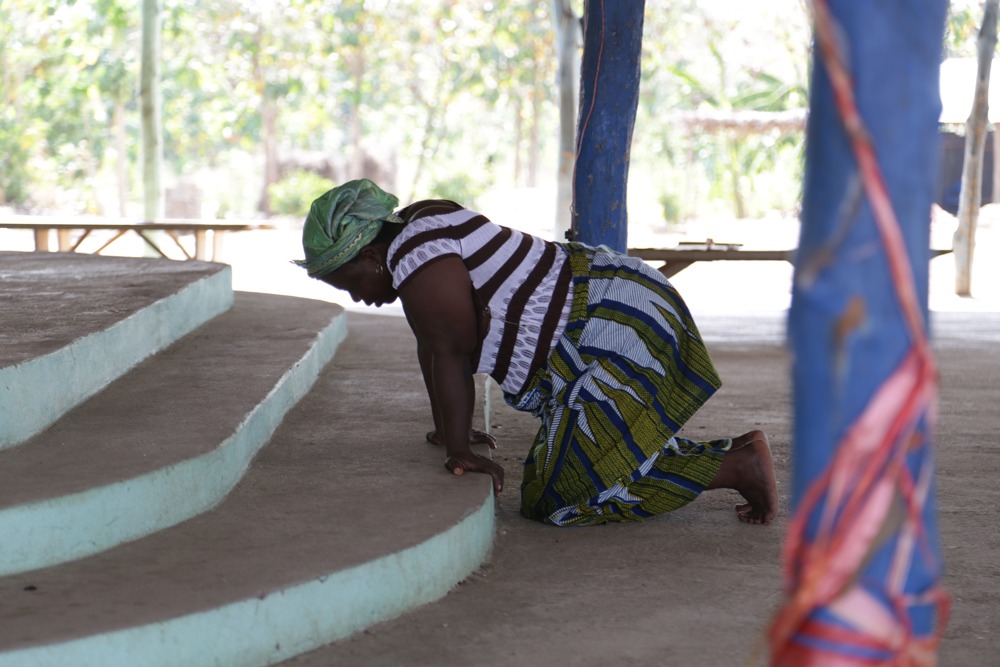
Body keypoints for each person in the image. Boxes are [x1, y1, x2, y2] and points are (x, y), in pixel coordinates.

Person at [296, 179, 777, 527]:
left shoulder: (417, 259)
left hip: (611, 331)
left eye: (349, 283)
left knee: (560, 495)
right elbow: (435, 344)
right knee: (593, 453)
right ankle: (737, 453)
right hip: (614, 304)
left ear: (369, 256)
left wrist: (460, 450)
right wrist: (448, 430)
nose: (356, 297)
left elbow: (451, 354)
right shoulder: (418, 229)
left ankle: (735, 468)